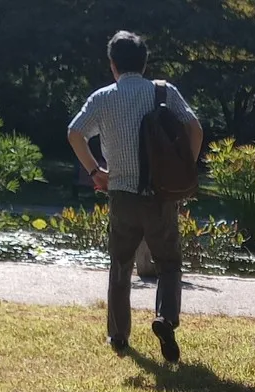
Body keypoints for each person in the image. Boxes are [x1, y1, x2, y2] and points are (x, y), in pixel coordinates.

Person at [67, 31, 203, 362]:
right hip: (158, 195)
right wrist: (184, 167)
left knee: (120, 265)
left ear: (112, 64)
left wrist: (95, 171)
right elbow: (194, 127)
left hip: (121, 194)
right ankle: (165, 318)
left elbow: (74, 132)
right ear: (144, 63)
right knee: (169, 263)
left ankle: (118, 335)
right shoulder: (163, 92)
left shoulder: (102, 98)